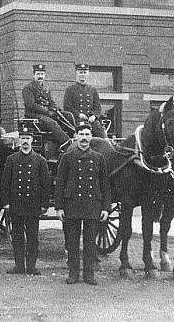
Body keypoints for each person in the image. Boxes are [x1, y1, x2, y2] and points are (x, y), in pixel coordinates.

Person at [54, 122, 110, 285]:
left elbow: (105, 185)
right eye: (81, 135)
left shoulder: (98, 158)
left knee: (90, 242)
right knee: (72, 242)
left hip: (93, 205)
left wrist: (106, 208)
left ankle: (89, 274)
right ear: (76, 137)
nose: (84, 138)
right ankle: (73, 273)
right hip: (72, 205)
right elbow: (60, 183)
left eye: (87, 134)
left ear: (91, 137)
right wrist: (59, 207)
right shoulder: (67, 157)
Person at [0, 126, 50, 275]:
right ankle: (19, 265)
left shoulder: (40, 160)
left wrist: (44, 204)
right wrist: (6, 202)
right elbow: (5, 182)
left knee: (33, 236)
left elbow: (45, 184)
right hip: (16, 204)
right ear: (19, 140)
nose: (25, 142)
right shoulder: (12, 159)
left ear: (32, 140)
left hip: (33, 205)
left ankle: (31, 266)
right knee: (17, 236)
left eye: (28, 139)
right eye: (23, 138)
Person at [21, 64, 72, 150]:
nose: (40, 76)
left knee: (68, 115)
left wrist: (56, 110)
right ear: (34, 75)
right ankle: (67, 143)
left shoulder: (46, 88)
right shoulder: (28, 88)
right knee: (52, 122)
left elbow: (51, 102)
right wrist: (47, 112)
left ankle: (74, 136)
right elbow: (31, 105)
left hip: (46, 113)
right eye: (38, 74)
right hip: (33, 114)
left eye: (42, 74)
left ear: (45, 75)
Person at [63, 63, 106, 138]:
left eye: (85, 72)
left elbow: (97, 107)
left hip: (91, 120)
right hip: (76, 120)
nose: (83, 75)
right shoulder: (70, 90)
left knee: (101, 134)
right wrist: (79, 114)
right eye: (80, 72)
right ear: (77, 73)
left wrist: (94, 116)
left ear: (88, 74)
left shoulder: (93, 90)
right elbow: (67, 107)